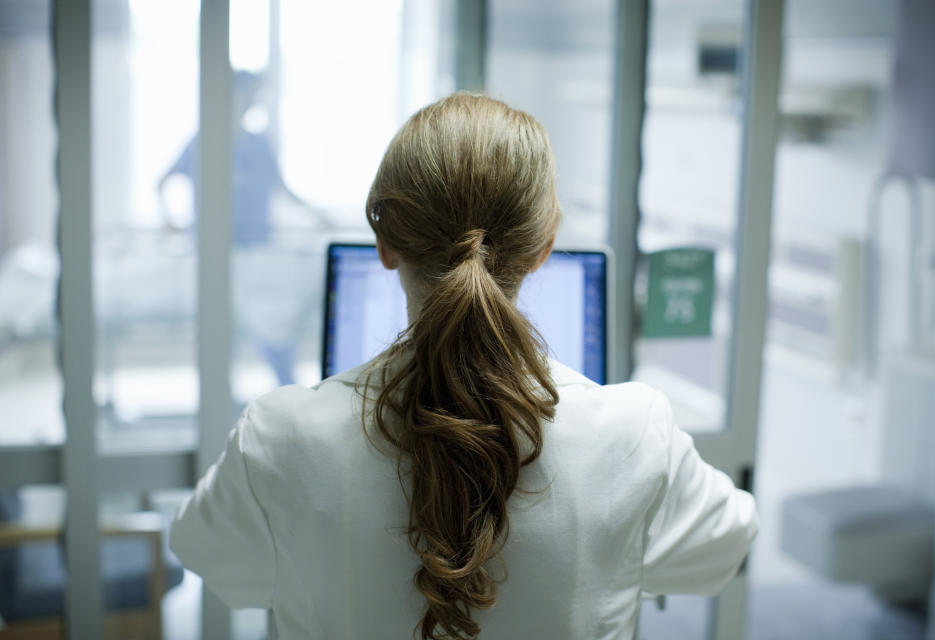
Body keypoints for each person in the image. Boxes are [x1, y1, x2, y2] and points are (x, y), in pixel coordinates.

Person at [170, 93, 758, 639]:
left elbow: (214, 560)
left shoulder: (280, 436)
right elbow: (726, 545)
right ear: (543, 246)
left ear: (385, 242)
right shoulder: (632, 432)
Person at [158, 70, 320, 387]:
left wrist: (318, 217)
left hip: (256, 252)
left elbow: (281, 189)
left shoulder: (258, 146)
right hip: (217, 255)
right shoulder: (203, 143)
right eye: (247, 95)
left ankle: (288, 390)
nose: (251, 103)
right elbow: (163, 182)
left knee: (271, 328)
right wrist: (169, 222)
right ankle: (222, 396)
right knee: (227, 332)